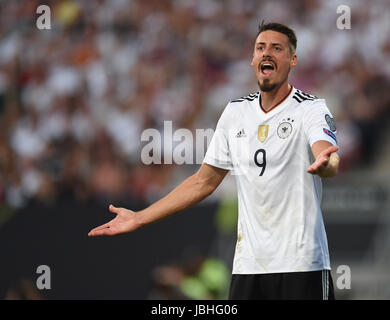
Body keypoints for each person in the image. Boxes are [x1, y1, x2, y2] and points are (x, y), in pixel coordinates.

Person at [88, 22, 340, 300]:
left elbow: (326, 154)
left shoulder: (311, 108)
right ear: (253, 59)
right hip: (249, 269)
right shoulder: (235, 112)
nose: (267, 53)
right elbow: (203, 181)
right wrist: (139, 218)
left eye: (277, 48)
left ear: (292, 60)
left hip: (302, 265)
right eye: (260, 48)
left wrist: (326, 163)